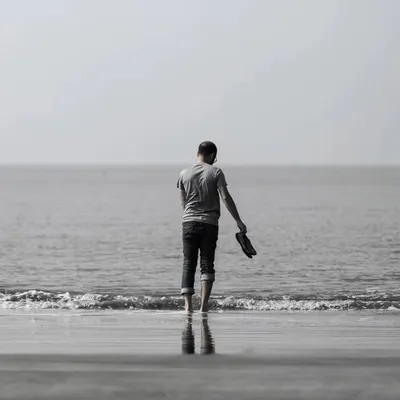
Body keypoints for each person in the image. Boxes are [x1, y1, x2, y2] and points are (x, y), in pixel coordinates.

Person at [177, 141, 247, 312]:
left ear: (198, 153)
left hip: (189, 223)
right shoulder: (216, 172)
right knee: (207, 263)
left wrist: (191, 216)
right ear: (212, 155)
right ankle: (203, 306)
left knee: (188, 263)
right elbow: (225, 197)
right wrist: (238, 220)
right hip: (209, 223)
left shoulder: (184, 173)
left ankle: (187, 306)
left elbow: (183, 203)